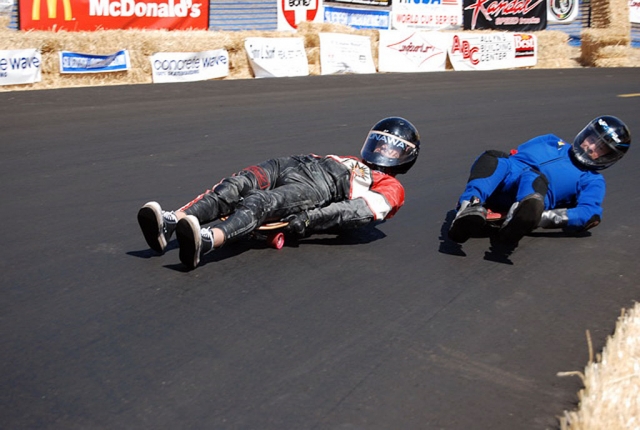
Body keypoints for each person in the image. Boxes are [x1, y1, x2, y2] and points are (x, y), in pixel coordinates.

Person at [137, 117, 421, 269]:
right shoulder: (354, 159)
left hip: (319, 187)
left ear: (406, 156)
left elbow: (353, 212)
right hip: (296, 163)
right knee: (236, 184)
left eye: (391, 148)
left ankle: (209, 240)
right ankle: (172, 221)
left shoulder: (392, 187)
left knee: (260, 202)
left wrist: (310, 219)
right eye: (379, 143)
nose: (381, 151)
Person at [448, 115, 631, 245]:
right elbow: (515, 155)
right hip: (503, 178)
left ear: (608, 157)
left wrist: (543, 218)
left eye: (600, 148)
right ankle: (470, 206)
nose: (590, 147)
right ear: (584, 134)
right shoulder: (550, 140)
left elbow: (589, 214)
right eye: (591, 139)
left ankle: (522, 218)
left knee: (534, 176)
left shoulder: (592, 180)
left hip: (532, 193)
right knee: (495, 157)